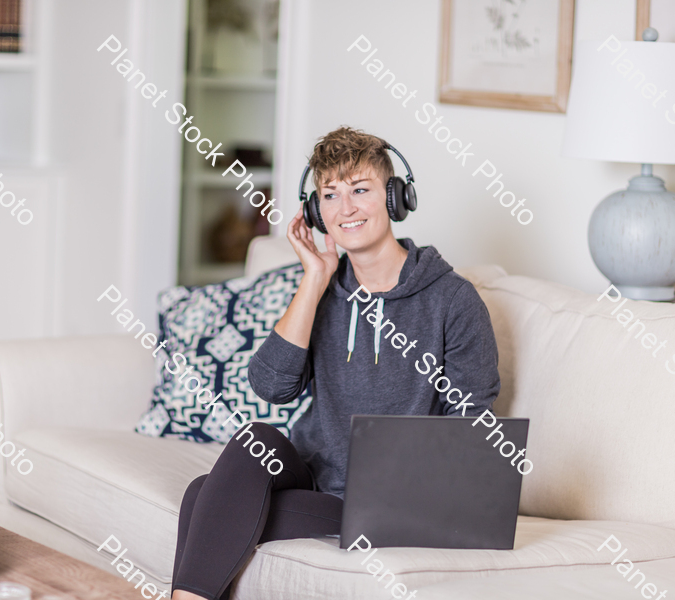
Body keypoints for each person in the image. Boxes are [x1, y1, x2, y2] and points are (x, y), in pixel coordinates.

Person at [171, 126, 500, 600]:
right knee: (255, 439)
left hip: (392, 501)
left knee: (204, 497)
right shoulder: (324, 291)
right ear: (314, 211)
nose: (345, 208)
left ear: (395, 199)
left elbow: (472, 427)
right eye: (330, 195)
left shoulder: (453, 300)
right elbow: (270, 386)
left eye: (361, 190)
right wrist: (314, 279)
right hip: (315, 482)